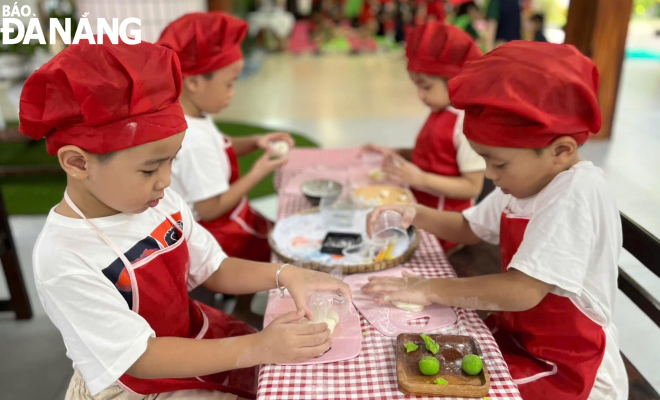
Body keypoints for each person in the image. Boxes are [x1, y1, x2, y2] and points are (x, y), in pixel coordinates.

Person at [19, 37, 349, 400]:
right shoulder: (63, 257)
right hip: (138, 383)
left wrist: (285, 273)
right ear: (78, 163)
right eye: (149, 170)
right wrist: (260, 347)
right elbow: (140, 356)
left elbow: (215, 269)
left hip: (192, 338)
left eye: (171, 161)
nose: (166, 181)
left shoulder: (159, 202)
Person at [362, 41, 628, 399]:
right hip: (521, 340)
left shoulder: (576, 193)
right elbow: (468, 228)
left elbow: (521, 291)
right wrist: (415, 213)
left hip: (571, 367)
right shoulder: (528, 180)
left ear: (561, 151)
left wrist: (427, 289)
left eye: (498, 163)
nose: (489, 175)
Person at [157, 13, 294, 263]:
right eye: (229, 84)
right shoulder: (191, 139)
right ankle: (241, 300)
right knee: (276, 247)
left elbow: (218, 147)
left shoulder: (193, 115)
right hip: (209, 236)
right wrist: (258, 172)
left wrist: (254, 141)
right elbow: (211, 209)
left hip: (224, 219)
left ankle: (242, 301)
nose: (231, 94)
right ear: (195, 82)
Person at [362, 22, 485, 253]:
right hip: (418, 211)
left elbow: (472, 187)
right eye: (417, 86)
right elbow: (435, 153)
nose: (420, 95)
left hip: (445, 228)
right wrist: (398, 152)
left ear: (454, 81)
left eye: (426, 87)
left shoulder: (466, 124)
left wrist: (420, 179)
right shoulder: (439, 111)